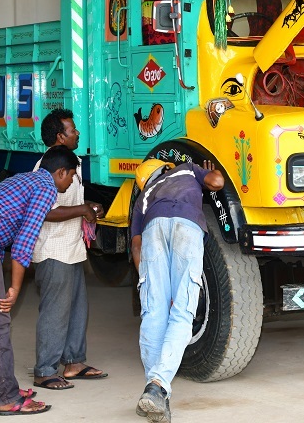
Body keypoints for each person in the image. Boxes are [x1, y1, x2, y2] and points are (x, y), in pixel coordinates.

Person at [0, 145, 79, 415]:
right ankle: (8, 397)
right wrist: (15, 288)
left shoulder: (27, 178)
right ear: (61, 172)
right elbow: (23, 243)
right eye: (72, 176)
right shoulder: (46, 189)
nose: (71, 183)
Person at [131, 158, 224, 422]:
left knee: (153, 313)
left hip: (153, 230)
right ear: (164, 168)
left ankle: (157, 392)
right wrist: (210, 171)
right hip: (187, 227)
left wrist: (149, 285)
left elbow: (136, 248)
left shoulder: (143, 199)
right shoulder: (186, 169)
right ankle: (158, 386)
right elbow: (217, 183)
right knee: (182, 313)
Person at [32, 109, 107, 391]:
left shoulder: (72, 162)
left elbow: (75, 203)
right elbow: (44, 211)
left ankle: (74, 362)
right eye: (72, 130)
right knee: (55, 311)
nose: (77, 133)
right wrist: (83, 210)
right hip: (53, 251)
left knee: (76, 308)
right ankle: (45, 370)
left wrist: (90, 209)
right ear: (60, 136)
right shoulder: (45, 169)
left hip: (72, 249)